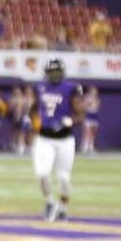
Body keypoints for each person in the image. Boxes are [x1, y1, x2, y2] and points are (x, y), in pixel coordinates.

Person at [31, 59, 84, 221]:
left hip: (65, 139)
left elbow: (80, 115)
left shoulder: (71, 88)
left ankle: (63, 207)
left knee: (64, 178)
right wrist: (35, 123)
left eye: (57, 72)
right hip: (44, 138)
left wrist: (71, 121)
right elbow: (33, 109)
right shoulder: (40, 87)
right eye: (51, 72)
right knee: (42, 173)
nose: (54, 76)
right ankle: (49, 202)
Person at [81, 85, 99, 155]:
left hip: (94, 117)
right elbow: (84, 106)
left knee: (93, 134)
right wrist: (88, 104)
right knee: (87, 133)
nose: (95, 92)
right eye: (93, 91)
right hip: (88, 116)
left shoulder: (97, 99)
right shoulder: (87, 98)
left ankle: (91, 148)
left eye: (96, 91)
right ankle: (84, 148)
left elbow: (97, 107)